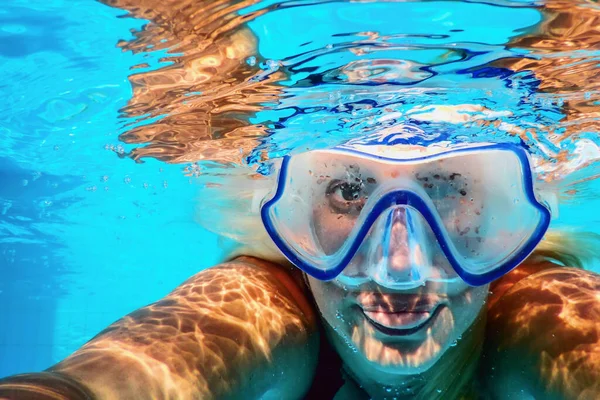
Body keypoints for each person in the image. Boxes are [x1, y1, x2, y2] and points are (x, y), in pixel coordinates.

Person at [1, 135, 599, 400]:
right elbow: (85, 389)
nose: (399, 271)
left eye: (447, 189)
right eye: (345, 192)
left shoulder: (546, 314)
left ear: (503, 223)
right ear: (293, 224)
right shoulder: (258, 308)